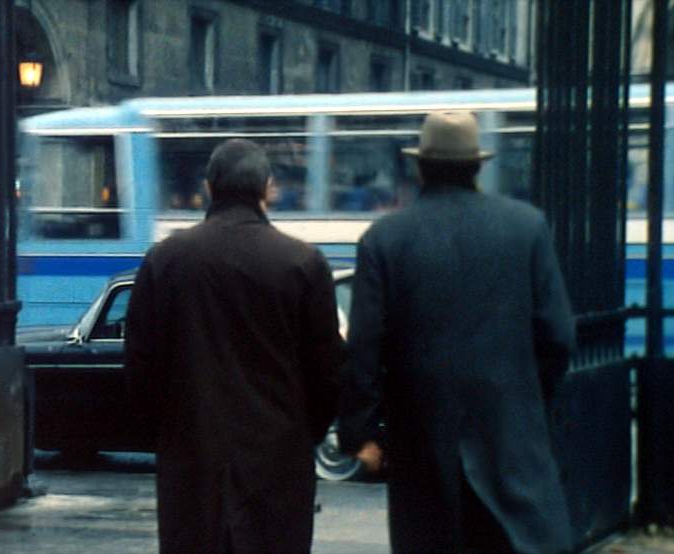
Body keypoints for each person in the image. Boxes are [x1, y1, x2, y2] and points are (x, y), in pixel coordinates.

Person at [338, 112, 576, 553]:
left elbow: (364, 348)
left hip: (422, 441)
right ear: (477, 166)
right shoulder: (527, 228)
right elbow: (558, 336)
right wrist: (524, 397)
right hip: (510, 438)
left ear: (420, 167)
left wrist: (361, 433)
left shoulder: (385, 238)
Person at [125, 139, 345, 554]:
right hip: (277, 462)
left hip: (191, 460)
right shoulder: (303, 262)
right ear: (267, 188)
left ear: (210, 188)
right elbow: (328, 372)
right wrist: (302, 433)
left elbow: (140, 365)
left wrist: (166, 435)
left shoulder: (165, 260)